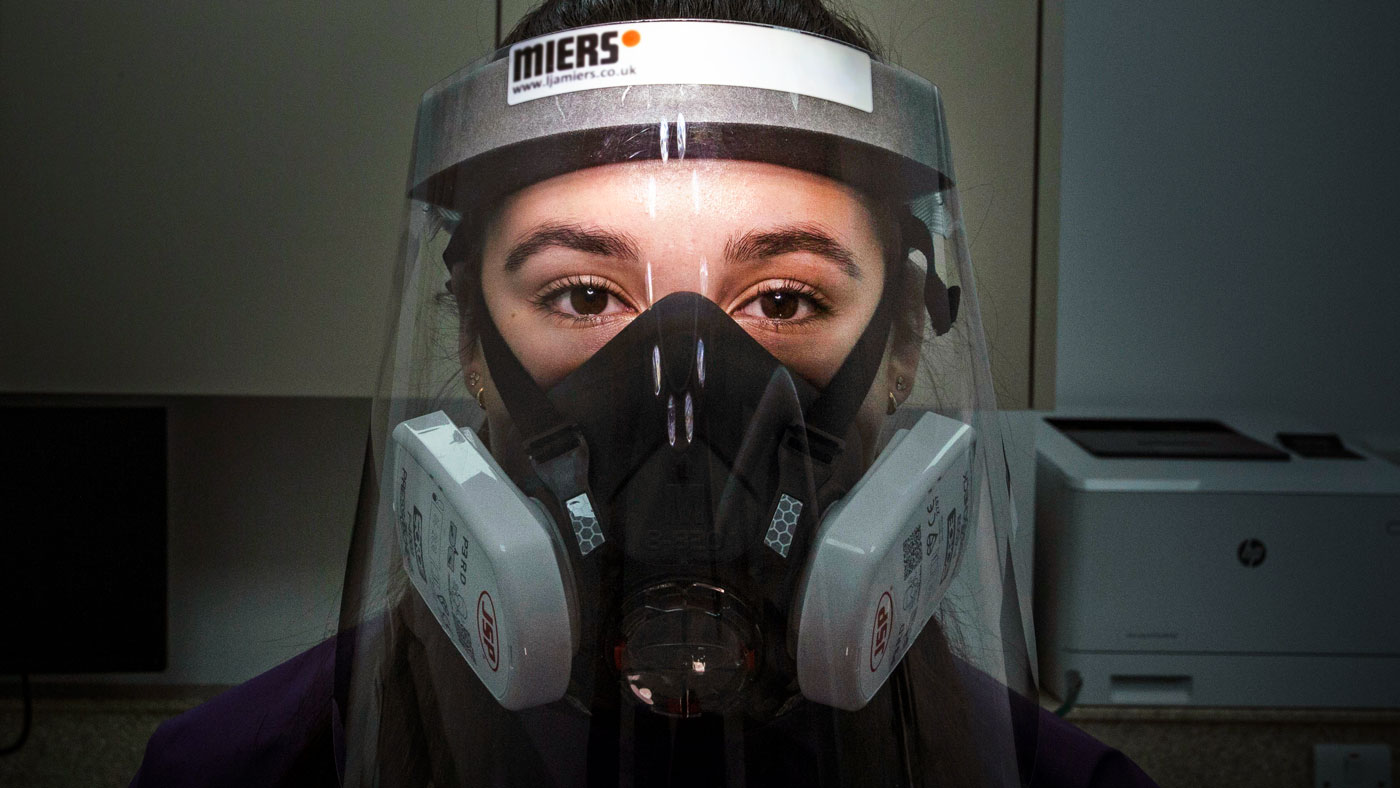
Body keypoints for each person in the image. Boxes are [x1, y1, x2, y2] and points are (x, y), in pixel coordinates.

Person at [133, 2, 1158, 786]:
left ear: (899, 346)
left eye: (783, 299)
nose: (684, 395)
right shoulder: (235, 774)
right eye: (584, 295)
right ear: (474, 342)